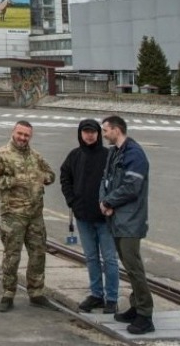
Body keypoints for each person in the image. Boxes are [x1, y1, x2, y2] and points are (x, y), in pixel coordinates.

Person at [0, 120, 56, 312]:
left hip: (35, 215)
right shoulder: (2, 154)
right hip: (13, 214)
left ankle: (36, 293)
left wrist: (42, 179)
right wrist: (13, 181)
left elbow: (50, 174)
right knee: (12, 256)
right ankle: (8, 294)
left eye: (26, 135)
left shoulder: (35, 156)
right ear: (13, 132)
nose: (23, 138)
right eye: (20, 134)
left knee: (38, 255)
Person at [100, 115, 155, 335]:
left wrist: (109, 201)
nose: (103, 134)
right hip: (116, 218)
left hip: (131, 220)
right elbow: (105, 179)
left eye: (105, 130)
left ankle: (145, 315)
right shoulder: (114, 152)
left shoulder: (135, 154)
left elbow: (132, 186)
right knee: (129, 268)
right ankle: (136, 306)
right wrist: (104, 201)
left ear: (116, 130)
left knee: (134, 267)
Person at [60, 119, 119, 314]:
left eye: (93, 131)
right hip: (83, 216)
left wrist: (111, 203)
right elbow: (65, 176)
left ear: (98, 134)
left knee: (109, 259)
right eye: (85, 132)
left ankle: (111, 298)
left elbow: (117, 181)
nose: (89, 135)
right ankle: (96, 295)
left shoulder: (108, 155)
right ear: (80, 134)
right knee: (91, 258)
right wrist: (71, 200)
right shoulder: (74, 155)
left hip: (105, 218)